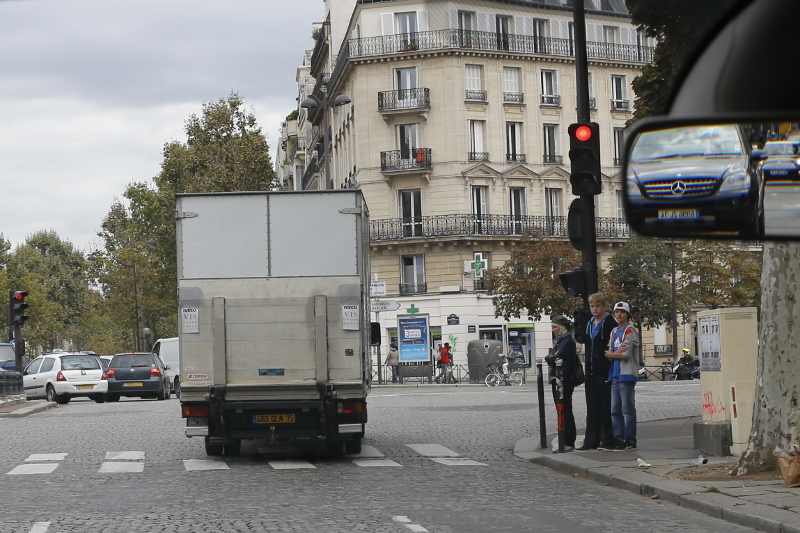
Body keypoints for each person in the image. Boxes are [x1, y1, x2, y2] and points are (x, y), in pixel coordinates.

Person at [578, 293, 618, 452]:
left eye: (598, 306)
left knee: (606, 407)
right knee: (592, 408)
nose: (595, 309)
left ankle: (608, 439)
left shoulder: (609, 323)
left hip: (605, 370)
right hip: (591, 370)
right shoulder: (590, 323)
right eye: (593, 306)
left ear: (603, 306)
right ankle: (591, 441)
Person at [605, 302, 641, 451]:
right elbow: (608, 355)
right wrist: (615, 353)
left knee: (627, 409)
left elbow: (625, 355)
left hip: (626, 374)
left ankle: (630, 440)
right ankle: (618, 439)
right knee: (615, 410)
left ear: (627, 314)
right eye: (616, 312)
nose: (619, 314)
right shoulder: (614, 332)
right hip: (615, 374)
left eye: (622, 312)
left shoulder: (630, 331)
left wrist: (614, 353)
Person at [545, 315, 578, 453]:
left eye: (555, 327)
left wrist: (549, 357)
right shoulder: (561, 340)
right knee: (562, 409)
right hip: (560, 379)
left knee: (564, 409)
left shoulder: (567, 341)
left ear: (562, 327)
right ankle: (565, 440)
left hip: (564, 379)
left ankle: (568, 441)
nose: (553, 330)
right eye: (552, 327)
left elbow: (554, 358)